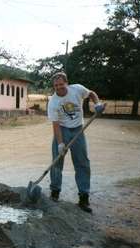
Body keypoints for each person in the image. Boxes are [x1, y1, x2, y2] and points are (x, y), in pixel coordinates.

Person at [47, 72, 105, 213]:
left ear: (67, 83)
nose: (59, 87)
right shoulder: (53, 102)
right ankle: (55, 192)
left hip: (78, 130)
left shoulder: (77, 89)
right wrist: (60, 144)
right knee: (57, 161)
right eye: (56, 85)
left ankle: (83, 197)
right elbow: (55, 125)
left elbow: (91, 93)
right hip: (62, 129)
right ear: (53, 86)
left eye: (61, 84)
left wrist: (96, 104)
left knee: (82, 163)